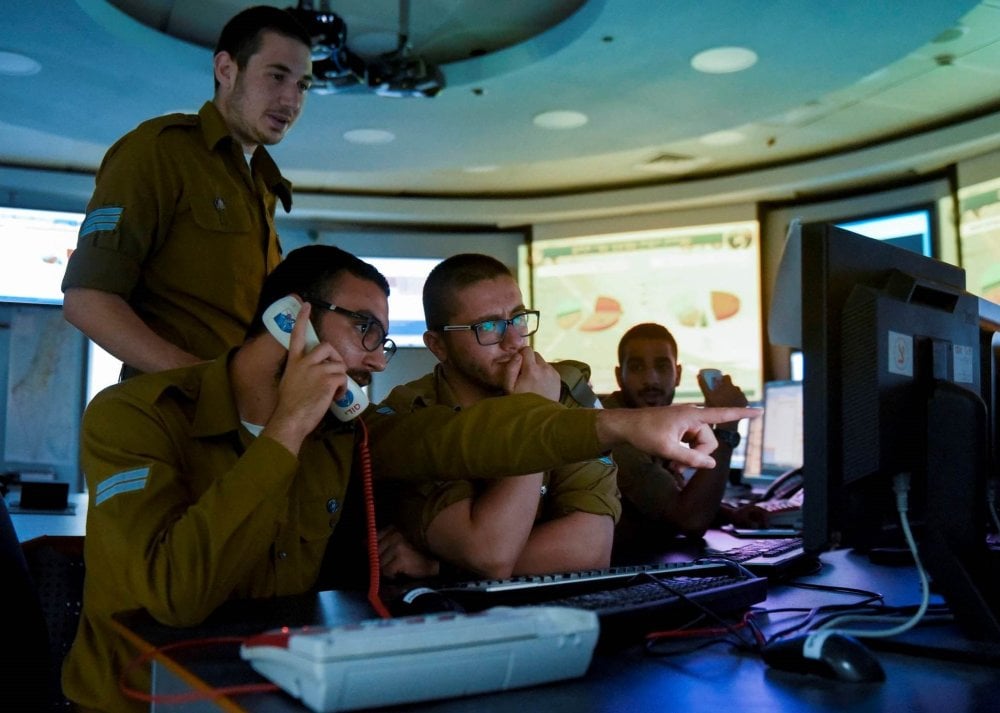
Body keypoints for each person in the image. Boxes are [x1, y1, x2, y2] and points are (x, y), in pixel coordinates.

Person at [62, 245, 757, 711]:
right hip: (142, 701)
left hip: (276, 689)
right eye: (364, 330)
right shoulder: (133, 417)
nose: (375, 360)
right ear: (291, 319)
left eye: (382, 339)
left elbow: (458, 438)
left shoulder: (343, 432)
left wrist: (622, 426)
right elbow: (175, 594)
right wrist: (285, 430)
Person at [61, 6, 314, 378]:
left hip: (244, 408)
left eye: (303, 85)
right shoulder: (160, 150)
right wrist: (208, 384)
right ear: (226, 70)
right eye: (277, 76)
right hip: (175, 407)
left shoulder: (262, 182)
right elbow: (87, 301)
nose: (292, 101)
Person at [376, 254, 620, 581]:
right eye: (488, 327)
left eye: (518, 318)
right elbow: (489, 554)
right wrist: (532, 411)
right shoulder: (409, 418)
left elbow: (590, 548)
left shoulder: (560, 389)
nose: (515, 341)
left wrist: (441, 567)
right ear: (438, 345)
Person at [601, 322, 762, 555]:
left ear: (677, 374)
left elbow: (668, 500)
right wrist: (727, 425)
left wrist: (730, 514)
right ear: (619, 376)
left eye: (662, 366)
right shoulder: (614, 431)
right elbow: (690, 519)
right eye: (637, 367)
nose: (651, 380)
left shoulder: (657, 422)